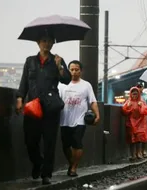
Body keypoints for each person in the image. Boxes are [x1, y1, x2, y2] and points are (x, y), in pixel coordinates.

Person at [16, 33, 71, 185]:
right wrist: (20, 98)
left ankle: (46, 174)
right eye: (44, 41)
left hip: (51, 107)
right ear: (38, 42)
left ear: (53, 43)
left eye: (50, 41)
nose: (46, 44)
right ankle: (37, 163)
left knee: (49, 141)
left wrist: (60, 66)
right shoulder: (30, 61)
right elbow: (24, 82)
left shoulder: (57, 60)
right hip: (33, 106)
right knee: (30, 140)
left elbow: (66, 80)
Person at [58, 60, 100, 177]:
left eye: (77, 69)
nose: (74, 72)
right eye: (71, 69)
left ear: (81, 71)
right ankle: (71, 163)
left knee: (77, 143)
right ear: (68, 71)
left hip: (80, 120)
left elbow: (92, 101)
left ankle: (74, 167)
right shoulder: (62, 85)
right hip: (64, 120)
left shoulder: (86, 85)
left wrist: (97, 114)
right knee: (66, 145)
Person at [122, 87, 147, 161]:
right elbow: (124, 112)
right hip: (131, 123)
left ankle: (138, 153)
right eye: (133, 93)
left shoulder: (142, 102)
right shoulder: (128, 102)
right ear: (130, 94)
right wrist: (127, 106)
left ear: (138, 94)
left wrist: (141, 106)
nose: (134, 94)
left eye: (136, 93)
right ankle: (132, 155)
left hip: (140, 123)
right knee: (131, 140)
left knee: (139, 139)